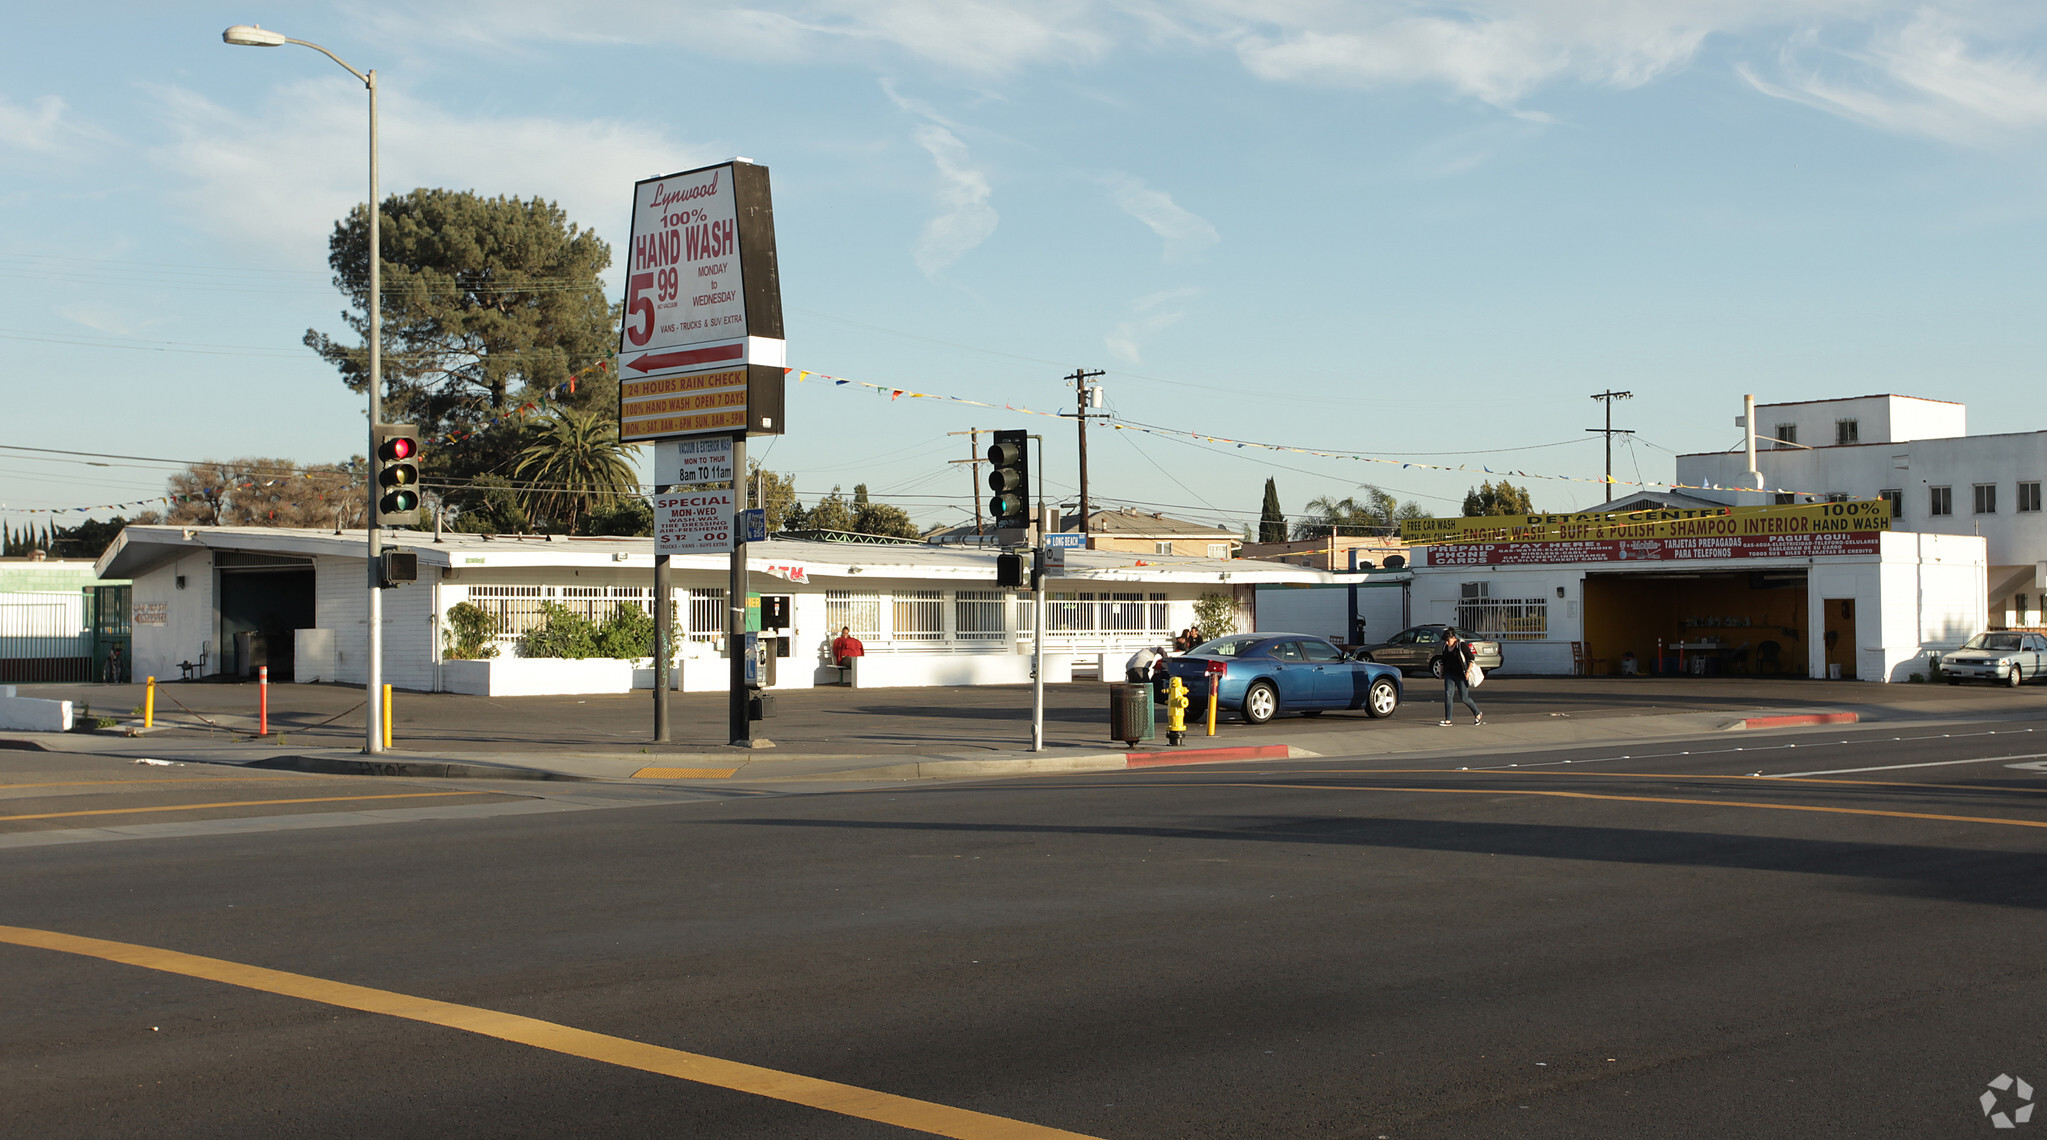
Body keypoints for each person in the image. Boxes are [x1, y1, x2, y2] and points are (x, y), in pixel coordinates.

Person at [1438, 629, 1483, 727]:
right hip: (1449, 674)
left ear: (1454, 638)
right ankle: (1448, 720)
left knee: (1464, 698)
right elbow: (1443, 660)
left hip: (1461, 675)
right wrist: (1441, 673)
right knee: (1448, 695)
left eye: (1448, 640)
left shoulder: (1461, 645)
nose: (1446, 642)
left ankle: (1477, 713)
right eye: (1445, 641)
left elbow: (1471, 658)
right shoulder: (1445, 647)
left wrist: (1468, 671)